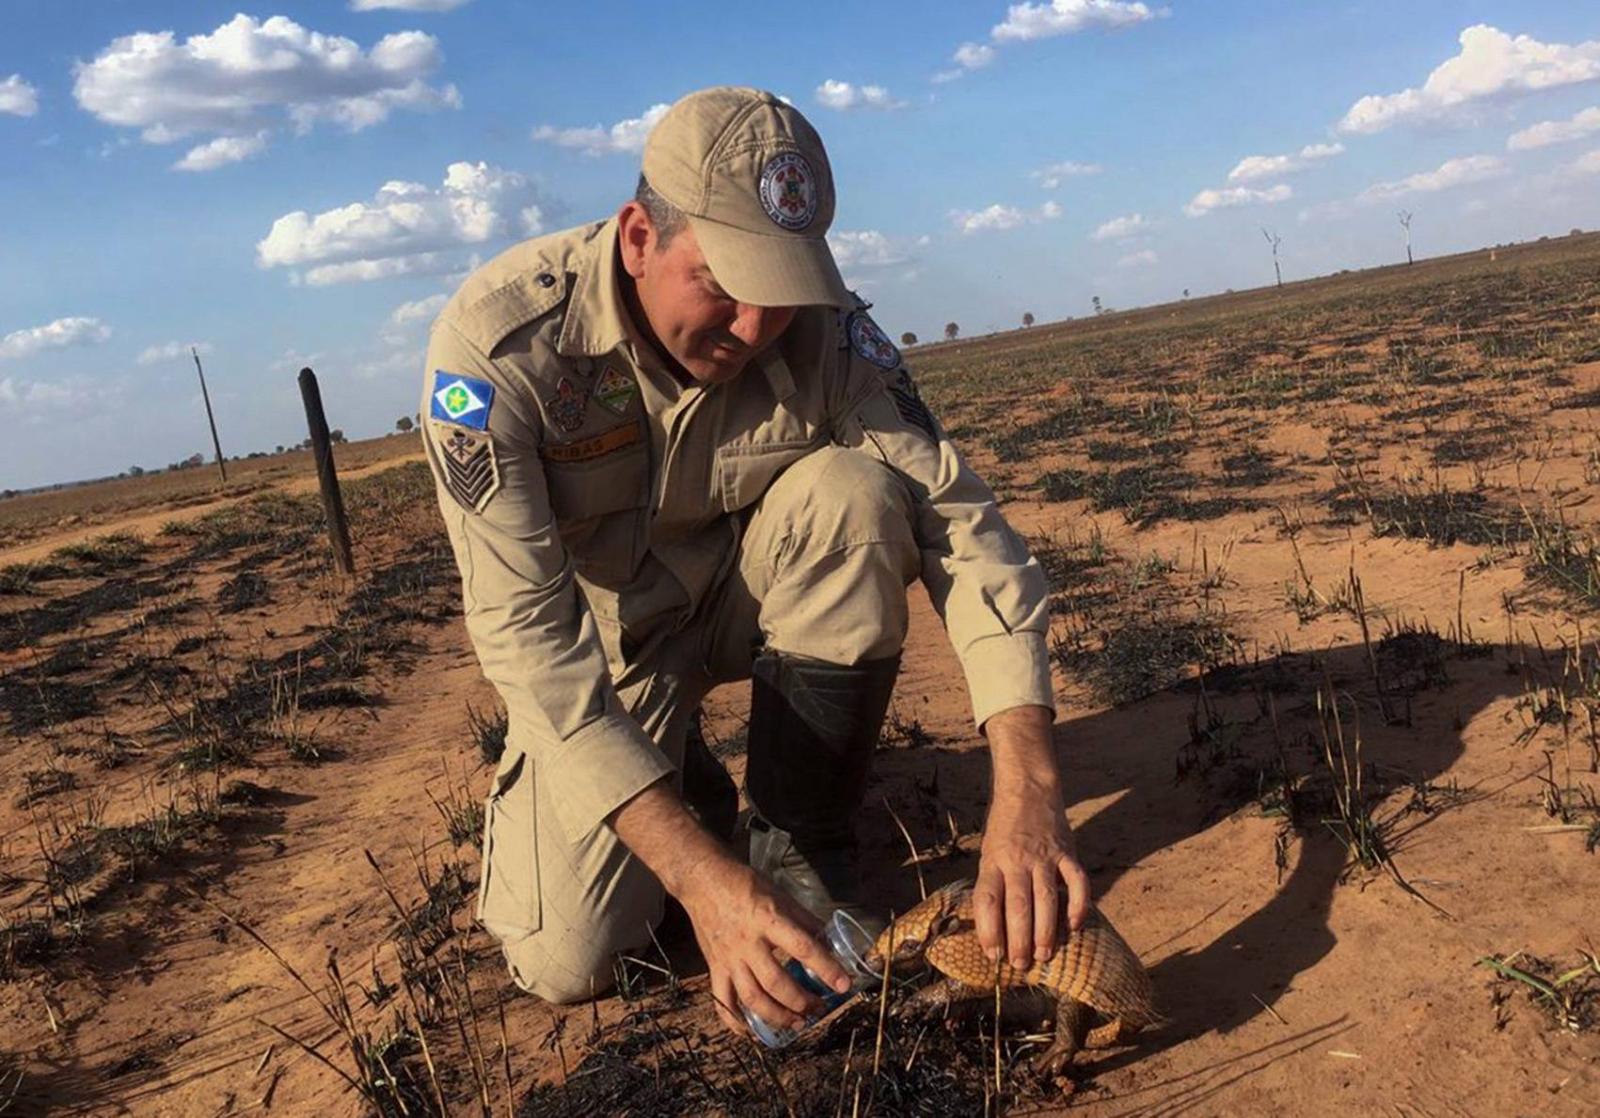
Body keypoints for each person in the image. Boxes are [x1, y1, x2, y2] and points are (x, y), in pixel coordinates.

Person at [420, 86, 1091, 1037]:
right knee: (572, 959)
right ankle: (676, 770)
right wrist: (698, 878)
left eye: (779, 291)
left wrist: (1028, 786)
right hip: (613, 654)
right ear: (639, 236)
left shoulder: (821, 327)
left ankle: (800, 845)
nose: (753, 326)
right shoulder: (499, 353)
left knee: (853, 496)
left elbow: (963, 528)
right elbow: (530, 643)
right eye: (723, 284)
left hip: (748, 598)